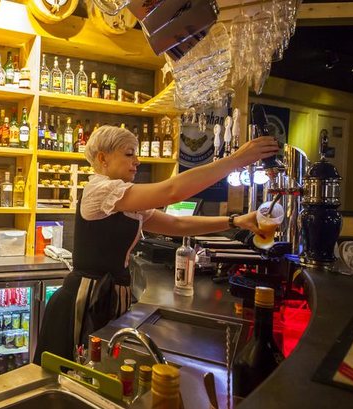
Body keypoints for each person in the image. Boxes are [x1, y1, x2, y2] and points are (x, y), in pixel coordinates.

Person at [34, 125, 279, 364]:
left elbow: (177, 224)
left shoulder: (123, 199)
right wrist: (236, 160)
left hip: (108, 297)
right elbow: (172, 191)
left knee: (100, 369)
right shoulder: (101, 190)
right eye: (129, 154)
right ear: (102, 158)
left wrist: (235, 221)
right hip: (85, 300)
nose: (137, 161)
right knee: (76, 370)